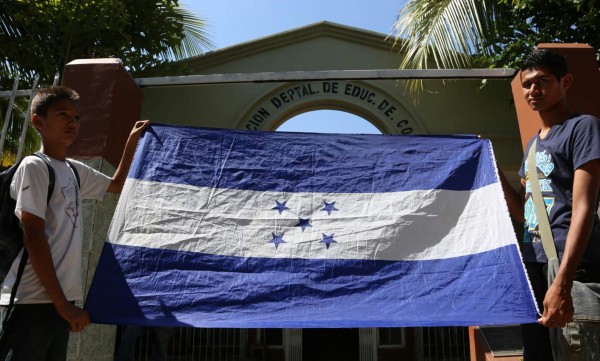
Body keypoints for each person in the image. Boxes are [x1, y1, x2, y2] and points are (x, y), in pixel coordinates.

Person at [0, 86, 149, 361]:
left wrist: (131, 142)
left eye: (77, 117)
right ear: (38, 122)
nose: (72, 122)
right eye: (62, 114)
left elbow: (116, 185)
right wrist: (61, 303)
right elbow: (33, 236)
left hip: (60, 303)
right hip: (31, 302)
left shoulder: (72, 169)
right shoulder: (34, 166)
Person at [500, 49, 600, 360]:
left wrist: (563, 281)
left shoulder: (583, 128)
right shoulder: (533, 145)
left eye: (542, 81)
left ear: (565, 81)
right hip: (534, 264)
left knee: (578, 350)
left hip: (571, 266)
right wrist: (490, 165)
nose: (533, 91)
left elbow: (584, 206)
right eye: (527, 84)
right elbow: (523, 211)